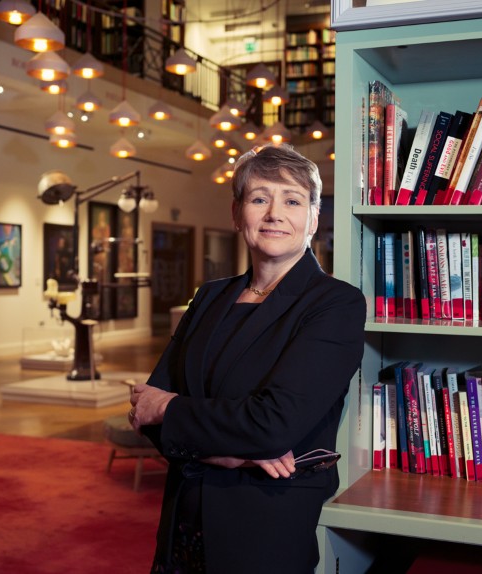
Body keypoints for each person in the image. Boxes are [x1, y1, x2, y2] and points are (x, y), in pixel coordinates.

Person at [129, 143, 366, 574]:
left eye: (292, 200)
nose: (275, 213)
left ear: (313, 218)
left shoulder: (336, 304)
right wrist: (224, 452)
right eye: (260, 198)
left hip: (262, 521)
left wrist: (172, 410)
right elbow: (146, 411)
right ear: (237, 214)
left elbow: (273, 424)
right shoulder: (210, 296)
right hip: (184, 515)